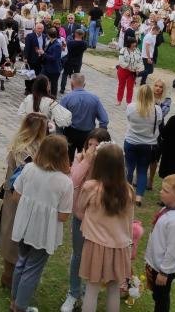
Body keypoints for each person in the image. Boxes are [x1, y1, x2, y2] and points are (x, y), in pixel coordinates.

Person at [9, 134, 73, 312]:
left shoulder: (28, 169)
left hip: (24, 225)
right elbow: (63, 216)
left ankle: (14, 300)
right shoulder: (65, 183)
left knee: (22, 261)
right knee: (33, 268)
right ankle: (20, 306)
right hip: (43, 233)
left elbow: (16, 196)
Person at [0, 113, 49, 289]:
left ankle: (10, 274)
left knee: (12, 233)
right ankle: (10, 276)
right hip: (21, 197)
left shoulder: (18, 144)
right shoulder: (31, 149)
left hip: (14, 196)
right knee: (15, 235)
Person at [76, 143, 134, 312]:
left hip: (95, 245)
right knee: (114, 289)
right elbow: (130, 221)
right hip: (120, 246)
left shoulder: (91, 187)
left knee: (92, 289)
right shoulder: (128, 191)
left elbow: (79, 210)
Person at [60, 128, 112, 312]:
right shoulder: (81, 159)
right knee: (78, 254)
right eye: (89, 144)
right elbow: (73, 180)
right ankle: (74, 292)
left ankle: (89, 292)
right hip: (80, 215)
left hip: (99, 218)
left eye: (96, 145)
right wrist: (85, 161)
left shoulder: (109, 164)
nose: (92, 148)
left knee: (96, 256)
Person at [144, 174, 175, 312]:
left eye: (165, 191)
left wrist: (164, 272)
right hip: (157, 264)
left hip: (164, 269)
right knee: (157, 295)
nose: (160, 192)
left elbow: (173, 250)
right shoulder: (166, 210)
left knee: (162, 298)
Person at [124, 85, 162, 206]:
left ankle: (127, 193)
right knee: (142, 170)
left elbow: (128, 119)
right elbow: (159, 123)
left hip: (131, 141)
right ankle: (139, 196)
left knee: (129, 168)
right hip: (148, 144)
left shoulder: (131, 107)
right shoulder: (157, 110)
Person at [61, 74, 109, 162]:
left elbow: (59, 119)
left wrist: (59, 134)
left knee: (67, 159)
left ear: (71, 84)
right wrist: (100, 135)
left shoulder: (66, 98)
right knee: (85, 160)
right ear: (84, 84)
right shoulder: (94, 99)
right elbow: (104, 120)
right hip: (88, 135)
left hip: (70, 132)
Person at [147, 79, 173, 190]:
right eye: (156, 86)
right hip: (146, 128)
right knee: (144, 155)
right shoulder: (147, 97)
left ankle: (151, 180)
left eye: (160, 87)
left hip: (159, 129)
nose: (158, 88)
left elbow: (162, 114)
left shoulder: (166, 100)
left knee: (154, 157)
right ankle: (141, 177)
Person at [116, 37, 142, 106]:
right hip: (123, 70)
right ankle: (119, 100)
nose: (134, 46)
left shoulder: (137, 50)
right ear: (129, 44)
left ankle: (129, 102)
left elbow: (140, 61)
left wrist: (138, 69)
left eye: (135, 44)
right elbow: (121, 61)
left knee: (130, 87)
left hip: (132, 72)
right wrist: (128, 67)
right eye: (133, 44)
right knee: (121, 85)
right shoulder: (123, 50)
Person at [60, 29, 88, 94]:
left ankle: (62, 89)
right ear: (83, 35)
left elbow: (67, 48)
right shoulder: (84, 43)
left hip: (69, 60)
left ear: (75, 34)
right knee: (77, 76)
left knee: (65, 74)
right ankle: (76, 89)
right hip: (78, 62)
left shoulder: (70, 43)